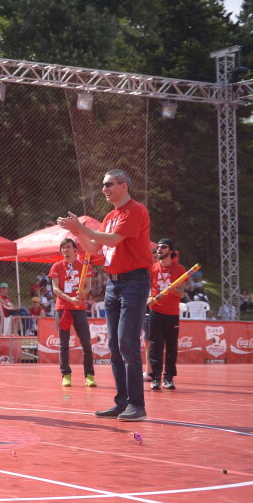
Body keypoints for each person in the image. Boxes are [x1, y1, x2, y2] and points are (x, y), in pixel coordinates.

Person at [59, 169, 152, 422]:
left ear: (124, 186)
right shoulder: (110, 215)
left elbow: (112, 239)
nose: (104, 189)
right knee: (113, 345)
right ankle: (121, 403)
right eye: (103, 185)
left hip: (134, 281)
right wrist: (77, 232)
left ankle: (137, 405)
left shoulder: (135, 210)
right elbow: (92, 248)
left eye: (109, 184)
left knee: (126, 343)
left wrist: (81, 227)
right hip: (114, 284)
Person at [49, 238, 96, 387]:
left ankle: (89, 375)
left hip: (79, 308)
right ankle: (66, 374)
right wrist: (69, 298)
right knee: (63, 344)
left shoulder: (84, 266)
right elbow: (55, 289)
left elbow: (88, 287)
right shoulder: (56, 266)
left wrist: (80, 296)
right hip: (63, 308)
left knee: (86, 343)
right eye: (63, 248)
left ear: (75, 250)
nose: (65, 250)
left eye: (68, 247)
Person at [148, 238, 186, 391]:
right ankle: (155, 377)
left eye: (163, 247)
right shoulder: (152, 268)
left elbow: (181, 293)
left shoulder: (180, 269)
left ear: (170, 251)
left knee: (171, 346)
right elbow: (147, 289)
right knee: (155, 345)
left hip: (172, 313)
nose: (159, 249)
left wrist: (173, 290)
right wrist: (148, 298)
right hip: (156, 311)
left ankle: (168, 378)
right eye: (158, 247)